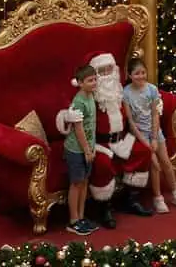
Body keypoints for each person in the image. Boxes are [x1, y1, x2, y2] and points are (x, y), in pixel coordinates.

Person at [84, 52, 152, 225]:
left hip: (121, 139)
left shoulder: (118, 92)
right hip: (101, 142)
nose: (107, 74)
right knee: (103, 164)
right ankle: (103, 207)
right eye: (102, 70)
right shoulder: (91, 96)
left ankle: (131, 200)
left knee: (142, 151)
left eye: (109, 69)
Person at [122, 57, 176, 214]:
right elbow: (130, 121)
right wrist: (144, 140)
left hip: (154, 132)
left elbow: (155, 115)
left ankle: (175, 193)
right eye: (137, 73)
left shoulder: (152, 89)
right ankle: (157, 198)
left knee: (165, 162)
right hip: (139, 135)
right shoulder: (126, 93)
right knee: (155, 165)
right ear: (130, 75)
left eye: (143, 72)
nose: (141, 76)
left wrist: (154, 137)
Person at [64, 64, 99, 235]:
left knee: (85, 182)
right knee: (76, 183)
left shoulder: (91, 96)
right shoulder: (78, 101)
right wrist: (86, 150)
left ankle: (81, 216)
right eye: (89, 80)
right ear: (79, 83)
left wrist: (91, 148)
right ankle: (73, 220)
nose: (94, 83)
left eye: (95, 79)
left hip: (88, 148)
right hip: (77, 149)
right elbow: (78, 129)